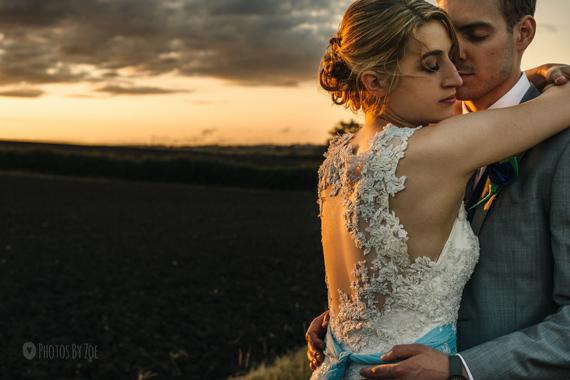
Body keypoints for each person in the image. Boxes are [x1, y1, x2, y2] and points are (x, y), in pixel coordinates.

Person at [306, 0, 570, 379]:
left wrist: (352, 325)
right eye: (434, 61)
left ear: (523, 33)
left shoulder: (339, 156)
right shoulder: (440, 141)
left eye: (475, 36)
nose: (457, 67)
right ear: (375, 80)